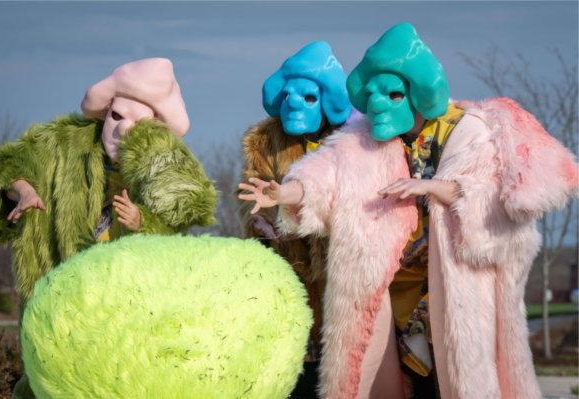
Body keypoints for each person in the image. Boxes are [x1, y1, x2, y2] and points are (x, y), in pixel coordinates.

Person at [239, 23, 578, 399]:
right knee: (387, 382)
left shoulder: (471, 133)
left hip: (456, 293)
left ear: (418, 93)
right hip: (389, 300)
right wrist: (287, 191)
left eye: (393, 94)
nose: (379, 104)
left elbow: (500, 203)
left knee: (458, 380)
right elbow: (328, 172)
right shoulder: (363, 138)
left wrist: (438, 188)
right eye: (373, 96)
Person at [0, 58, 217, 399]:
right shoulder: (63, 144)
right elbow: (10, 165)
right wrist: (25, 190)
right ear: (106, 111)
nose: (122, 130)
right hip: (57, 301)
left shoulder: (162, 169)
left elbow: (181, 224)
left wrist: (142, 221)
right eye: (117, 117)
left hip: (121, 315)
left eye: (138, 124)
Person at [238, 40, 351, 396]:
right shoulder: (265, 141)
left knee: (341, 354)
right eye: (287, 96)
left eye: (307, 98)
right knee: (293, 356)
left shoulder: (348, 139)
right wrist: (262, 221)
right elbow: (249, 190)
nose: (294, 105)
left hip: (338, 266)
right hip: (286, 265)